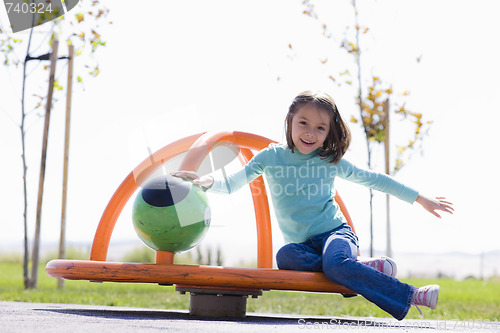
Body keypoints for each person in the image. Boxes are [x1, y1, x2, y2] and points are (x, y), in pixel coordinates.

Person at [172, 90, 453, 320]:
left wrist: (420, 198)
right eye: (303, 123)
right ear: (290, 121)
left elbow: (373, 179)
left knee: (335, 262)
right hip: (302, 248)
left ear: (329, 131)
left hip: (336, 234)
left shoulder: (328, 160)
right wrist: (206, 181)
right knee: (286, 258)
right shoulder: (270, 158)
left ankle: (412, 294)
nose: (310, 133)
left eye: (321, 127)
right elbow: (233, 183)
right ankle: (359, 268)